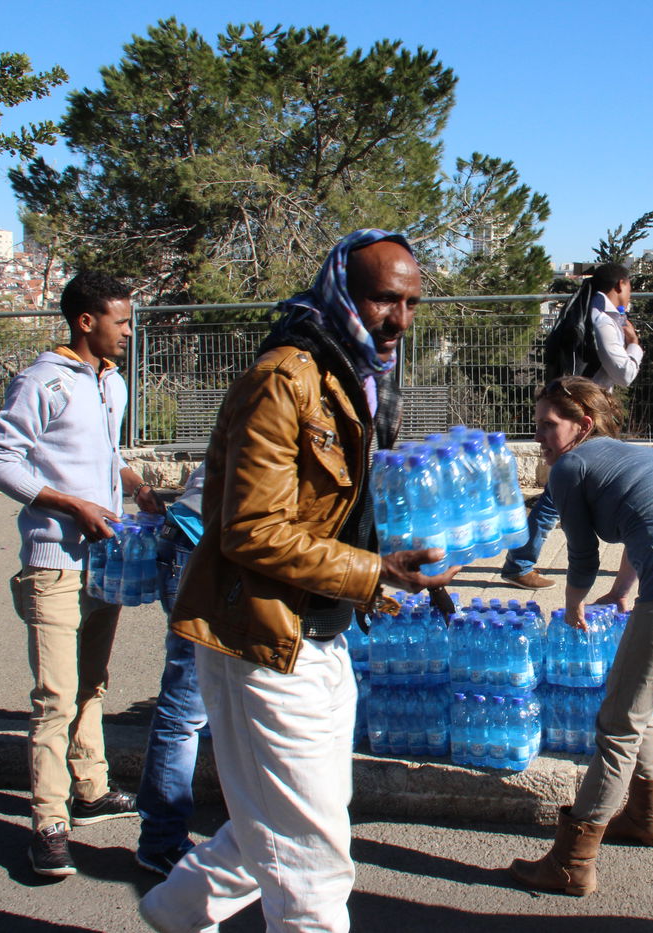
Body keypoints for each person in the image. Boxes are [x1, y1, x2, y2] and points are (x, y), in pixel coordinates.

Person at [138, 230, 457, 933]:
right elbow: (250, 528)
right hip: (265, 638)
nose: (399, 318)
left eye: (409, 302)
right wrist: (374, 571)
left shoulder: (356, 374)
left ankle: (171, 912)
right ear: (344, 290)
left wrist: (397, 561)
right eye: (383, 298)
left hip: (319, 632)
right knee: (312, 863)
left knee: (283, 825)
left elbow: (333, 515)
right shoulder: (288, 377)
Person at [508, 375, 653, 896]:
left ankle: (571, 862)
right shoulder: (644, 458)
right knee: (640, 700)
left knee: (618, 722)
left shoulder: (571, 466)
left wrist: (573, 604)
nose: (540, 436)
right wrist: (623, 592)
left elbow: (583, 554)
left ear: (582, 425)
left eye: (549, 425)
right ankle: (646, 818)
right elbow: (647, 527)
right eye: (538, 424)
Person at [0, 270, 163, 877]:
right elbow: (0, 462)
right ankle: (48, 823)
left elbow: (104, 455)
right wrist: (72, 506)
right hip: (53, 563)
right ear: (86, 322)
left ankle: (90, 789)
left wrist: (137, 488)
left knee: (93, 683)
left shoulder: (111, 384)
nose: (129, 332)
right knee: (54, 698)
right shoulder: (43, 381)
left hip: (104, 560)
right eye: (122, 321)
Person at [503, 262, 642, 590]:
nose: (630, 294)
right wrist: (634, 344)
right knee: (559, 491)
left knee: (561, 488)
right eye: (630, 287)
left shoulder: (590, 309)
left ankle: (520, 561)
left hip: (584, 414)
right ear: (620, 284)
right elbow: (624, 373)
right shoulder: (605, 319)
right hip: (586, 417)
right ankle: (520, 562)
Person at [135, 464, 208, 877]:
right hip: (199, 546)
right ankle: (161, 840)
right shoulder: (285, 401)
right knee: (186, 705)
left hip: (207, 541)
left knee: (213, 699)